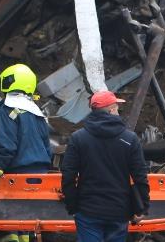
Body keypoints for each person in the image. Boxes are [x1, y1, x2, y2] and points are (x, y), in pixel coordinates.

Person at [61, 91, 149, 242]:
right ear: (111, 110)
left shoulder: (78, 138)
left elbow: (68, 175)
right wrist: (142, 208)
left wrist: (72, 207)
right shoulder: (130, 139)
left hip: (88, 211)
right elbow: (140, 177)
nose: (117, 111)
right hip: (118, 211)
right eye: (116, 108)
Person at [0, 63, 52, 242]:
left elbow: (7, 147)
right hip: (41, 174)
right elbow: (47, 147)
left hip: (18, 176)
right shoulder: (36, 112)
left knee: (13, 223)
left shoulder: (8, 111)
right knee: (31, 220)